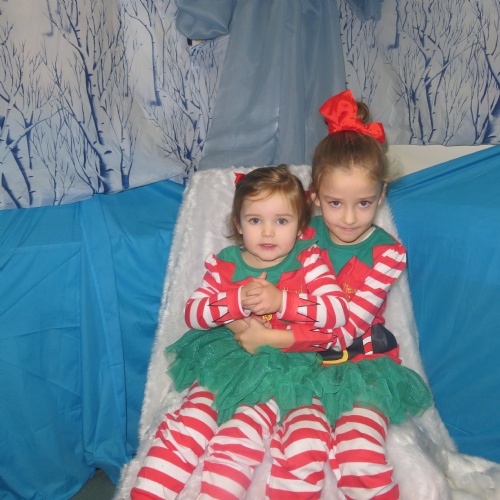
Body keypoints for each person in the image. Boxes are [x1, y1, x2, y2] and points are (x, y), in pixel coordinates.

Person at [246, 89, 431, 499]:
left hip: (363, 363)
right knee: (299, 452)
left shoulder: (387, 253)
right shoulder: (301, 235)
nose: (349, 218)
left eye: (363, 203)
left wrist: (274, 331)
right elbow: (259, 272)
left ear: (381, 196)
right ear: (314, 197)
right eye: (334, 203)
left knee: (360, 454)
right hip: (301, 364)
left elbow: (346, 328)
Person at [131, 164, 354, 500]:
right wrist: (235, 301)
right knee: (190, 421)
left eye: (281, 221)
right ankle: (148, 493)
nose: (268, 233)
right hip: (226, 358)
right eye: (255, 220)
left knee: (240, 435)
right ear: (238, 224)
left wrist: (282, 301)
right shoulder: (226, 262)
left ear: (300, 227)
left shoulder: (309, 261)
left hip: (281, 365)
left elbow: (337, 313)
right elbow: (193, 313)